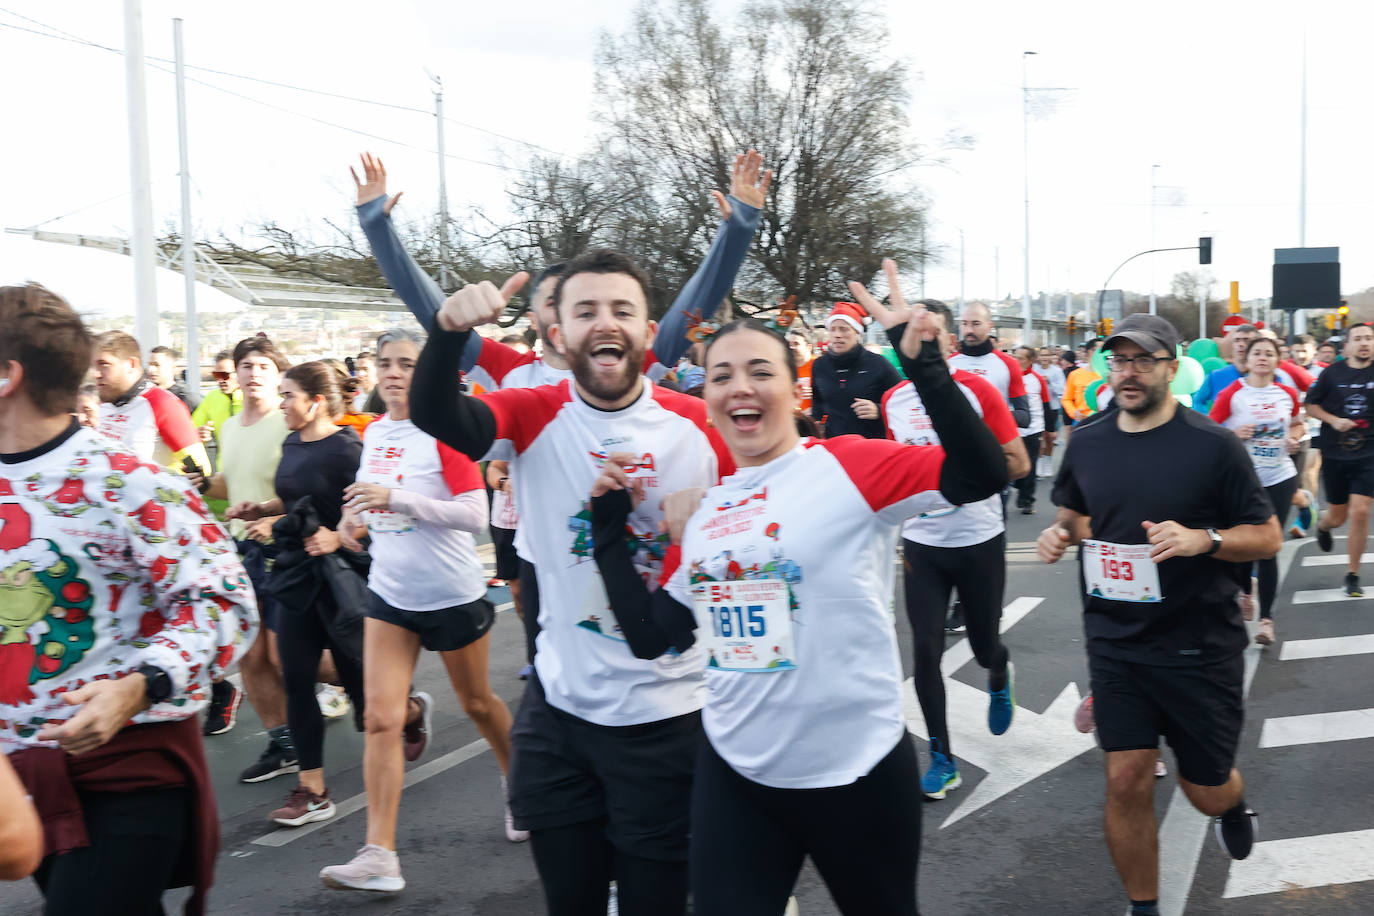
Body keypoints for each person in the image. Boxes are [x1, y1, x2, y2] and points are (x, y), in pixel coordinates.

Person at [587, 261, 1007, 914]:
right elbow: (652, 637)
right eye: (722, 375)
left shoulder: (848, 464)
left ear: (794, 391)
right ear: (709, 398)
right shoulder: (704, 514)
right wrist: (608, 534)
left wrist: (925, 369)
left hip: (857, 773)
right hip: (736, 776)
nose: (739, 388)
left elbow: (979, 475)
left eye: (760, 372)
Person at [409, 249, 730, 916]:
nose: (603, 323)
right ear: (558, 334)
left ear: (649, 332)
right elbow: (442, 416)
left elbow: (772, 502)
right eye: (585, 311)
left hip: (667, 719)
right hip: (561, 720)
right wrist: (445, 334)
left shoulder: (699, 424)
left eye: (622, 310)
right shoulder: (531, 410)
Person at [0, 283, 257, 916]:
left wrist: (141, 684)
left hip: (125, 772)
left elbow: (224, 602)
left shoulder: (128, 483)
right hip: (18, 784)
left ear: (7, 376)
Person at [1038, 313, 1279, 916]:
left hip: (1198, 641)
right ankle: (1144, 907)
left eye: (1143, 360)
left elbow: (1269, 535)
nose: (1129, 372)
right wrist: (1059, 534)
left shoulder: (1212, 445)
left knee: (1204, 788)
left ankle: (1230, 805)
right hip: (1116, 639)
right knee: (1125, 778)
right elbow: (1076, 513)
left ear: (1172, 368)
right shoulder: (1088, 439)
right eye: (1119, 360)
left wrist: (1207, 540)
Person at [320, 330, 525, 893]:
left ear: (427, 371)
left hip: (452, 594)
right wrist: (351, 527)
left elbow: (471, 514)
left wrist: (396, 499)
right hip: (390, 594)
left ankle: (522, 787)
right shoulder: (378, 433)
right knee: (381, 718)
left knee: (479, 703)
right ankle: (379, 854)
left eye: (407, 364)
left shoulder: (446, 431)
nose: (393, 373)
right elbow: (367, 503)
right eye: (385, 364)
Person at [880, 298, 1027, 801]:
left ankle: (998, 669)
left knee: (985, 643)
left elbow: (1019, 462)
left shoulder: (978, 390)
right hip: (922, 544)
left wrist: (965, 475)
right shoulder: (894, 400)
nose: (925, 339)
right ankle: (942, 758)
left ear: (946, 342)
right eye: (915, 333)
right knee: (924, 650)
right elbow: (896, 466)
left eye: (934, 332)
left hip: (978, 539)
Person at [226, 361, 370, 826]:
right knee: (296, 674)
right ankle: (312, 789)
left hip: (338, 578)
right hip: (292, 573)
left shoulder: (347, 450)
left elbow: (370, 514)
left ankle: (406, 710)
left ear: (316, 402)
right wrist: (262, 508)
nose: (282, 403)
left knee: (359, 684)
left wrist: (335, 535)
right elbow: (292, 499)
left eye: (289, 395)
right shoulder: (290, 442)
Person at [187, 338, 298, 774]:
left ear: (277, 374)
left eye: (263, 366)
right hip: (243, 553)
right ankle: (283, 743)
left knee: (284, 657)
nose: (253, 373)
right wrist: (198, 483)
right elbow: (231, 484)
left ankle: (372, 688)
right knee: (250, 655)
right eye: (246, 365)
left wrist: (276, 519)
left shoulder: (288, 422)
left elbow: (307, 486)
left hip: (288, 549)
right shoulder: (231, 427)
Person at [1209, 336, 1305, 645]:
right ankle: (1246, 593)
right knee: (1242, 546)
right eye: (1257, 353)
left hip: (1280, 476)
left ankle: (1267, 622)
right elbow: (1210, 428)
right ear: (1247, 360)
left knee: (1268, 547)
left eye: (1269, 353)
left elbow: (1298, 425)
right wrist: (1233, 432)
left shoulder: (1287, 393)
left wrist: (1295, 438)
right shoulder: (1233, 393)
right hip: (1244, 480)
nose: (1263, 357)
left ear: (1278, 361)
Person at [1307, 323, 1374, 596]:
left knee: (1360, 511)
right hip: (1335, 453)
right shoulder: (1331, 373)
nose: (1364, 343)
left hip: (1369, 454)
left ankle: (1353, 574)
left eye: (1369, 338)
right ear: (1346, 346)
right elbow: (1310, 405)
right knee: (1338, 516)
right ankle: (1324, 525)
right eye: (1358, 339)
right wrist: (1334, 421)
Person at [91, 331, 209, 476]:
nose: (96, 374)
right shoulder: (102, 402)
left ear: (131, 364)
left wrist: (148, 481)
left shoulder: (162, 403)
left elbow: (200, 469)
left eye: (104, 364)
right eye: (94, 366)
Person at [809, 301, 903, 438]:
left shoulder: (878, 363)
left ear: (857, 333)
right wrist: (816, 425)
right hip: (835, 447)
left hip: (873, 446)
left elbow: (904, 402)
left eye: (844, 329)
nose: (837, 335)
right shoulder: (819, 365)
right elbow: (817, 403)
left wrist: (879, 410)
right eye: (832, 329)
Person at [947, 302, 1030, 425]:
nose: (969, 330)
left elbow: (1024, 416)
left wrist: (985, 416)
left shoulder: (1009, 364)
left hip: (995, 442)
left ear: (989, 326)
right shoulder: (948, 363)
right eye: (964, 323)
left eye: (976, 324)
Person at [1013, 345, 1055, 514]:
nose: (1016, 361)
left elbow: (1046, 405)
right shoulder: (1007, 378)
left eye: (1020, 358)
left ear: (1031, 360)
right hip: (1011, 431)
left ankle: (1026, 501)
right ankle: (1017, 484)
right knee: (1013, 466)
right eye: (1014, 357)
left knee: (1029, 467)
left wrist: (1050, 429)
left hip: (1033, 430)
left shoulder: (1037, 379)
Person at [191, 349, 242, 447]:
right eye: (216, 375)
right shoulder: (212, 397)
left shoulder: (253, 396)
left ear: (238, 372)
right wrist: (200, 434)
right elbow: (192, 429)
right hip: (224, 462)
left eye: (224, 375)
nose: (220, 380)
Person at [1039, 345, 1066, 477]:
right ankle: (1040, 463)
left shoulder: (1056, 371)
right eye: (1042, 355)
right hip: (1036, 407)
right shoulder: (1034, 369)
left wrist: (1049, 382)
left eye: (1046, 355)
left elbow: (1061, 391)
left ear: (1051, 357)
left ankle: (1048, 461)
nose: (1044, 358)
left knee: (1049, 437)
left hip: (1052, 406)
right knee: (1039, 436)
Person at [148, 345, 202, 411]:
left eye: (157, 365)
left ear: (173, 367)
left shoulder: (188, 399)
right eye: (150, 365)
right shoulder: (146, 398)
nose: (151, 369)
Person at [788, 326, 816, 412]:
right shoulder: (785, 367)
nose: (791, 347)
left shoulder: (820, 365)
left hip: (817, 421)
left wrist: (817, 394)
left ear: (809, 347)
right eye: (789, 344)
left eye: (796, 344)